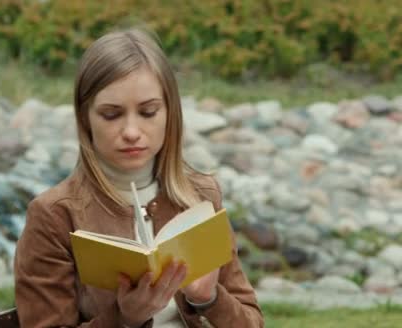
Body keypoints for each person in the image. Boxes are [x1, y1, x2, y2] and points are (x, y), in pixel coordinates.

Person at [14, 28, 264, 327]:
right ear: (85, 118)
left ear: (170, 113)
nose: (132, 132)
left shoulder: (201, 196)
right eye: (111, 114)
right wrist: (125, 319)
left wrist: (208, 299)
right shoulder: (55, 215)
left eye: (148, 112)